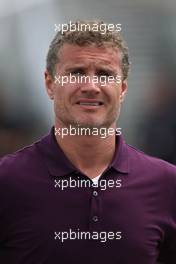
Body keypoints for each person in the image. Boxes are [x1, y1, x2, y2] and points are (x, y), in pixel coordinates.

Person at [0, 20, 175, 264]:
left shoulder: (167, 184)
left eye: (104, 74)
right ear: (50, 84)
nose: (91, 86)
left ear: (122, 89)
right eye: (76, 72)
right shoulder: (6, 181)